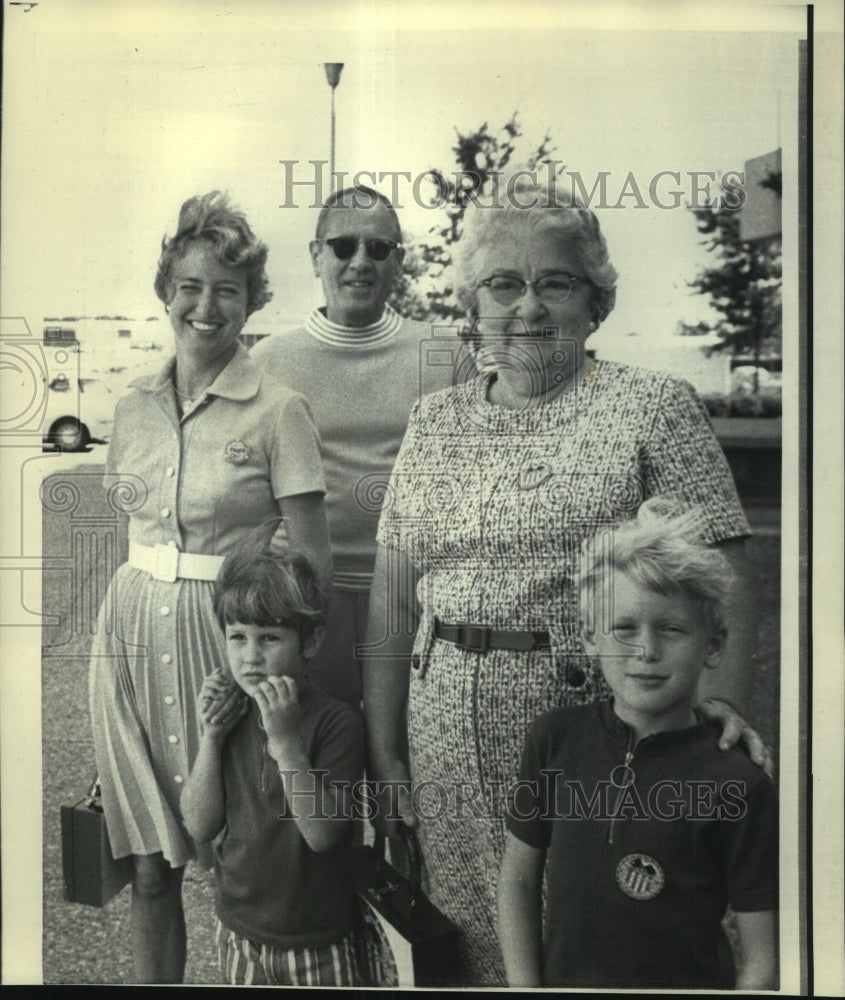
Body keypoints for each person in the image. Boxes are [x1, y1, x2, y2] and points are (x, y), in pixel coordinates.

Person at [362, 170, 771, 986]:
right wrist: (386, 754)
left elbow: (728, 565)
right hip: (440, 724)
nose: (527, 307)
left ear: (594, 301)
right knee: (466, 929)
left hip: (584, 724)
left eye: (555, 283)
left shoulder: (650, 406)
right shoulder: (434, 421)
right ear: (471, 306)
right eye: (502, 285)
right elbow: (391, 595)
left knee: (593, 926)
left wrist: (717, 703)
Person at [88, 191, 331, 983]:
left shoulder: (280, 410)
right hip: (128, 635)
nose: (205, 306)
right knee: (148, 860)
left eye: (227, 289)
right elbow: (131, 534)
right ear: (166, 291)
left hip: (224, 642)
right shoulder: (131, 403)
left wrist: (278, 668)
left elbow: (313, 567)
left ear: (252, 302)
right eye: (190, 286)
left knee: (237, 853)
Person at [498, 498, 778, 990]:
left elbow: (761, 961)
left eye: (671, 629)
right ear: (589, 636)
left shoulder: (738, 781)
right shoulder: (554, 739)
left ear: (713, 644)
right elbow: (518, 881)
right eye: (624, 628)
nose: (645, 652)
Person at [251, 186, 461, 704]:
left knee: (401, 760)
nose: (360, 262)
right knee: (323, 756)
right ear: (316, 255)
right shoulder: (269, 360)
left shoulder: (445, 355)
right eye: (343, 246)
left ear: (399, 261)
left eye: (379, 248)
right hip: (304, 597)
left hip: (414, 596)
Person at [181, 542, 364, 987]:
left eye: (270, 638)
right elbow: (199, 824)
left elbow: (322, 834)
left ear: (312, 642)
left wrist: (285, 742)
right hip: (239, 933)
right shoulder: (230, 712)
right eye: (237, 637)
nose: (250, 656)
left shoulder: (337, 722)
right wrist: (211, 737)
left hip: (320, 943)